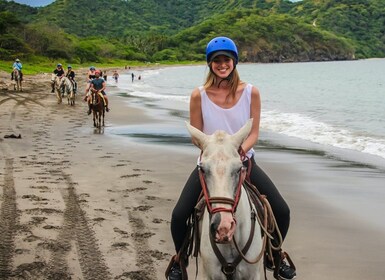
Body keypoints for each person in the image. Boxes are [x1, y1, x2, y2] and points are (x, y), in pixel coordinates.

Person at [167, 37, 296, 280]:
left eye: (226, 59)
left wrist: (238, 152)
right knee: (178, 215)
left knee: (282, 210)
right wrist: (215, 151)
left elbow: (254, 132)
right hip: (211, 166)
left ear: (234, 62)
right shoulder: (199, 95)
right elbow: (197, 135)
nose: (222, 64)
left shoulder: (250, 92)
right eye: (217, 60)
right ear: (210, 64)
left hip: (242, 162)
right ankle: (179, 260)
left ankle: (274, 255)